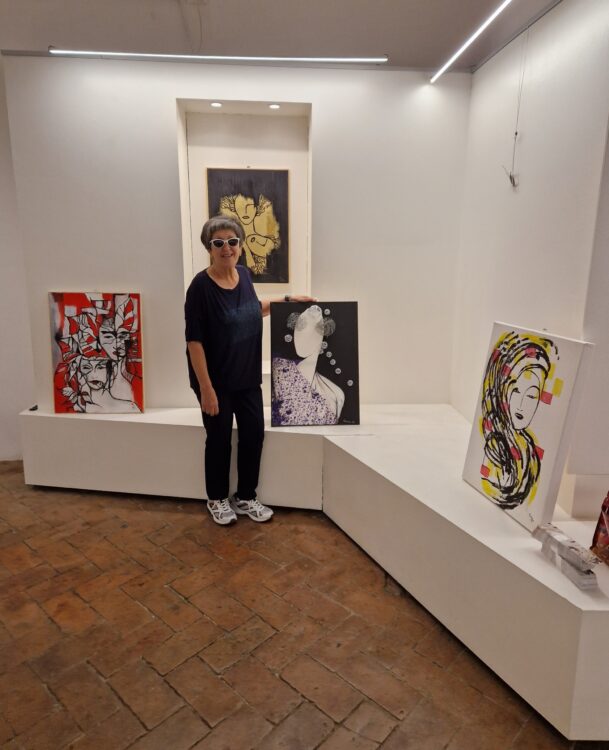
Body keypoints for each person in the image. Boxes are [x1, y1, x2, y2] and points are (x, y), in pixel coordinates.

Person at [185, 215, 313, 526]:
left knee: (253, 435)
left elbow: (252, 310)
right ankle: (216, 499)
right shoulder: (200, 287)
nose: (226, 248)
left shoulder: (243, 275)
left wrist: (287, 300)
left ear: (240, 246)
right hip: (215, 381)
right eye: (218, 243)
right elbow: (194, 342)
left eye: (232, 241)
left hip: (246, 377)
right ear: (209, 249)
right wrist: (206, 389)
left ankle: (245, 496)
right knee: (219, 440)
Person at [480, 330, 556, 508]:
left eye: (531, 396)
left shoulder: (530, 453)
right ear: (502, 391)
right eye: (515, 391)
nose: (522, 404)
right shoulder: (495, 445)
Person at [271, 305, 345, 426]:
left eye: (313, 331)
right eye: (300, 327)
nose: (302, 336)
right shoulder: (280, 369)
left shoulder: (335, 394)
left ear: (322, 336)